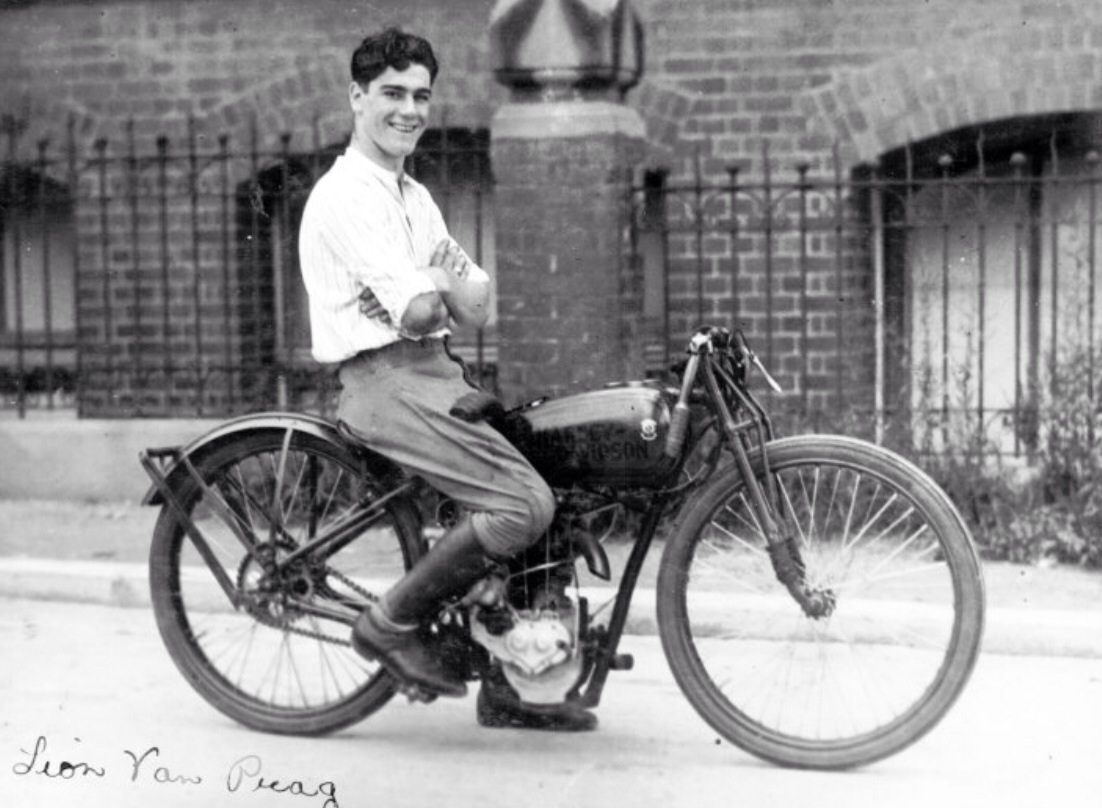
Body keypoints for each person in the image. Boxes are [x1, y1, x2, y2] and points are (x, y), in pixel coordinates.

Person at [297, 28, 595, 731]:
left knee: (553, 483)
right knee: (522, 506)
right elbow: (426, 309)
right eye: (392, 94)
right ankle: (389, 623)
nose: (409, 110)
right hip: (382, 383)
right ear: (357, 97)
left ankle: (514, 684)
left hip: (433, 373)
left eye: (421, 96)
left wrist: (429, 281)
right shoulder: (345, 197)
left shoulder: (414, 197)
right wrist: (436, 280)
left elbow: (479, 303)